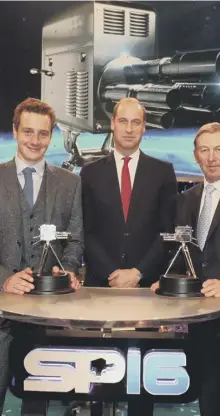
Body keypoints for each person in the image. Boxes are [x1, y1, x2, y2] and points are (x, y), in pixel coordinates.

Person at [0, 97, 84, 413]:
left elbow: (74, 242)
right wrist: (5, 279)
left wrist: (70, 269)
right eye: (28, 132)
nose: (35, 141)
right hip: (0, 313)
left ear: (51, 136)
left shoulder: (70, 183)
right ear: (15, 132)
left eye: (43, 133)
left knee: (37, 402)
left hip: (46, 314)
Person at [152, 122, 220, 416]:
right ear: (196, 156)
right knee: (210, 405)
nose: (212, 157)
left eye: (218, 149)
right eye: (205, 150)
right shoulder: (187, 199)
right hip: (202, 328)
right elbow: (184, 257)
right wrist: (165, 283)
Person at [81, 97, 177, 289]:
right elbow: (85, 231)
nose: (129, 129)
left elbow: (168, 231)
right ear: (112, 124)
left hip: (147, 285)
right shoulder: (90, 173)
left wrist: (138, 272)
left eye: (136, 122)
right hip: (101, 284)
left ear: (144, 127)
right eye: (123, 121)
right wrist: (112, 273)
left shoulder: (163, 172)